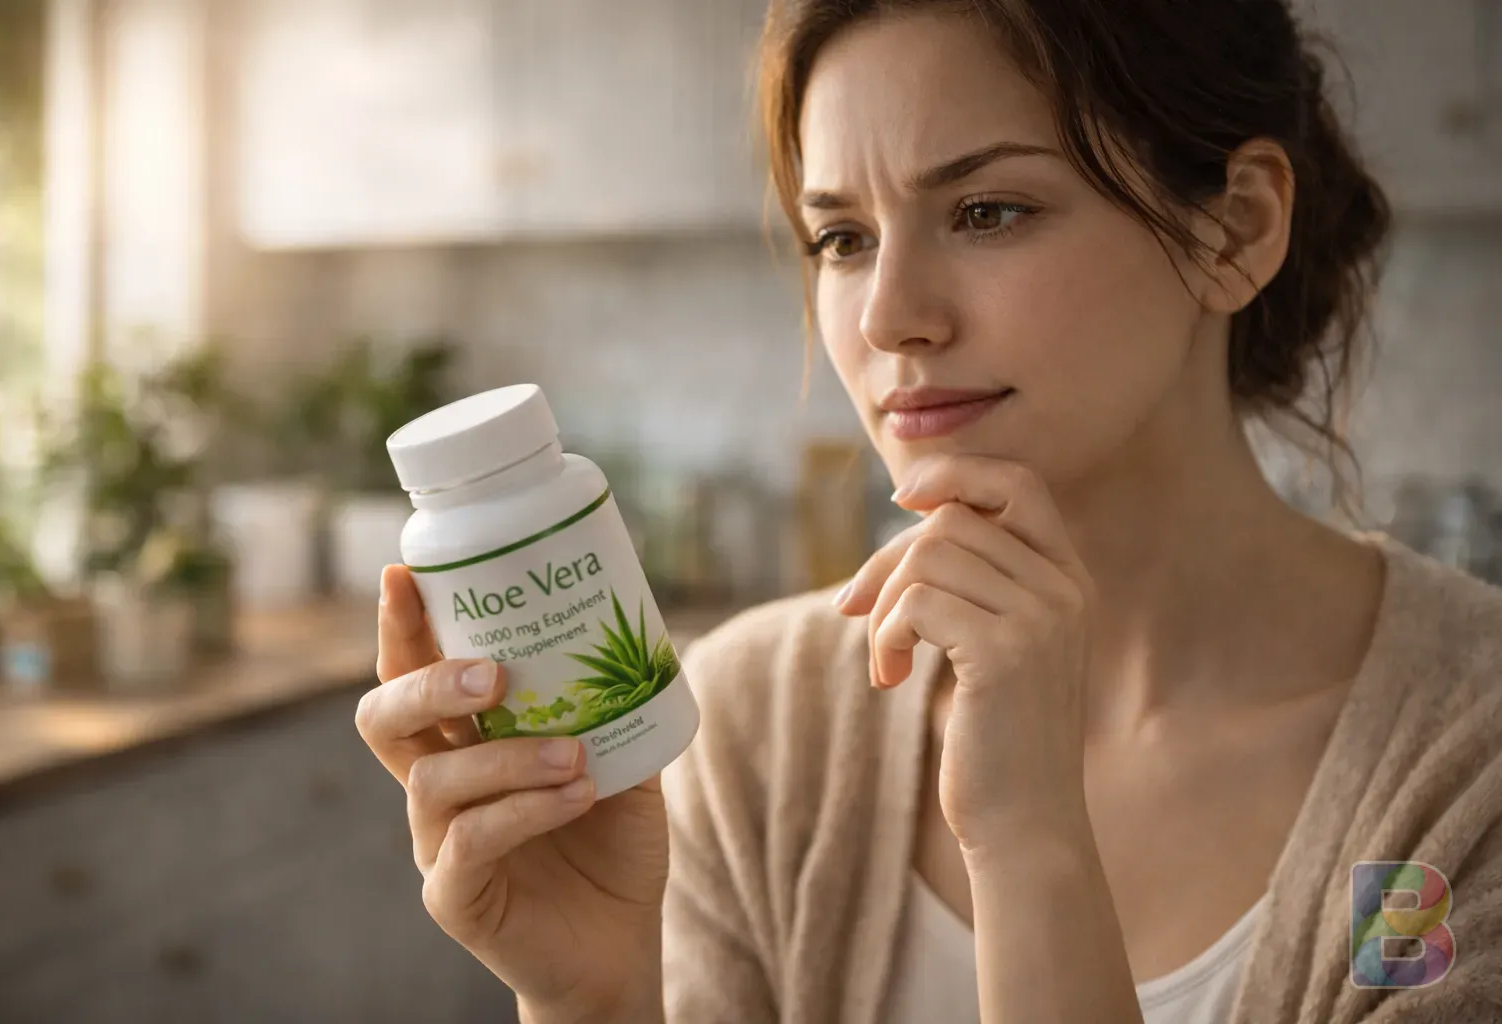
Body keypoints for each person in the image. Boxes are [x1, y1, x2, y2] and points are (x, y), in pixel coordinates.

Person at [355, 1, 1502, 1021]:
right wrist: (593, 998)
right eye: (843, 238)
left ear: (1235, 226)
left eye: (988, 210)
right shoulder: (752, 725)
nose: (890, 316)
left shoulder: (1468, 765)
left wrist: (1036, 847)